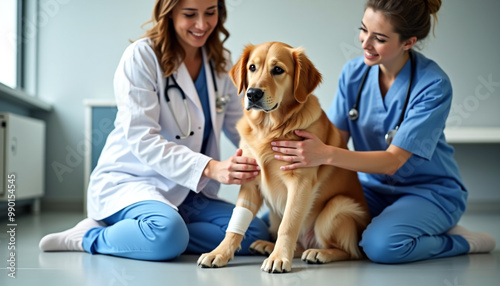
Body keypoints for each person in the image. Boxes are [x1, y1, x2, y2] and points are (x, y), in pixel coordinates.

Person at [39, 0, 269, 261]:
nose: (202, 24)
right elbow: (143, 138)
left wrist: (282, 149)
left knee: (254, 233)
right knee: (167, 233)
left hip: (188, 193)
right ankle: (89, 236)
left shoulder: (220, 62)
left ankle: (153, 231)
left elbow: (244, 127)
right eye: (190, 14)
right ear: (169, 13)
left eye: (211, 12)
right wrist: (211, 168)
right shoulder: (142, 57)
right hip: (133, 180)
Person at [271, 0, 495, 264]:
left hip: (427, 191)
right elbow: (335, 141)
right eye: (363, 29)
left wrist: (324, 153)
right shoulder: (353, 74)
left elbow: (392, 162)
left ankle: (459, 241)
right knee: (275, 219)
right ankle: (398, 224)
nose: (365, 43)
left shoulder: (433, 85)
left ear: (408, 42)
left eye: (379, 38)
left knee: (381, 246)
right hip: (371, 189)